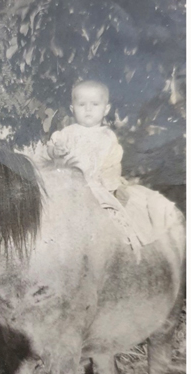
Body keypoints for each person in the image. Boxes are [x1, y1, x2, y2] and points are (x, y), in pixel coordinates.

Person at [43, 80, 157, 251]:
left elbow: (112, 165)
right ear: (72, 109)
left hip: (96, 186)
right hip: (66, 186)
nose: (88, 109)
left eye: (95, 104)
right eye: (82, 104)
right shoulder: (66, 133)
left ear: (106, 109)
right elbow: (51, 150)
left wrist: (109, 186)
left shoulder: (107, 136)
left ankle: (117, 244)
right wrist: (56, 151)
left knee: (109, 214)